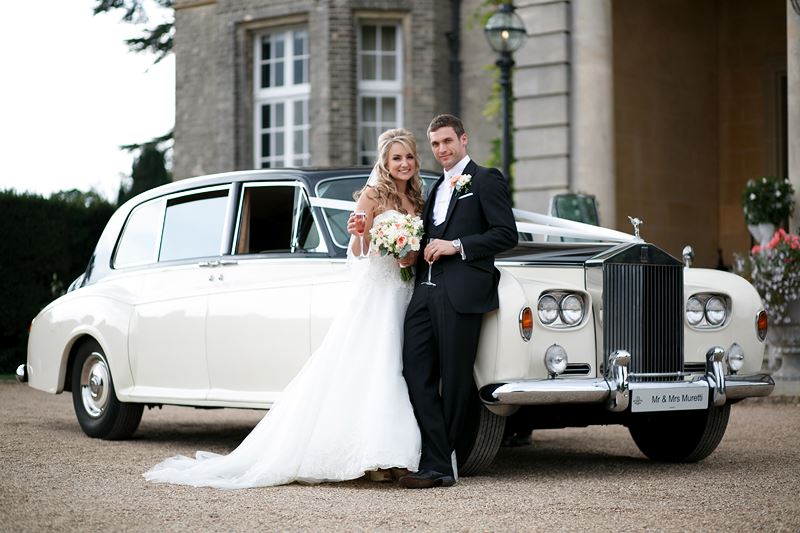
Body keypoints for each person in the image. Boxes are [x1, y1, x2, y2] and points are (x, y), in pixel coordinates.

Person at [143, 128, 424, 489]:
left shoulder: (417, 197)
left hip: (405, 291)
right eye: (396, 157)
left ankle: (388, 455)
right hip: (376, 298)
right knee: (378, 368)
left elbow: (412, 256)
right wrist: (360, 233)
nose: (403, 163)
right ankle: (379, 457)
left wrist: (405, 255)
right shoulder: (372, 195)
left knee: (399, 368)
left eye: (409, 157)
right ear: (385, 161)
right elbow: (355, 254)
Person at [399, 114, 517, 489]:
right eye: (435, 144)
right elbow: (431, 235)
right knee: (415, 373)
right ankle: (436, 455)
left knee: (454, 379)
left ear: (463, 140)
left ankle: (438, 465)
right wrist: (408, 252)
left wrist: (458, 246)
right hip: (424, 291)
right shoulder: (435, 186)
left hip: (463, 292)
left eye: (447, 141)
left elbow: (505, 234)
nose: (441, 150)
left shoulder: (486, 179)